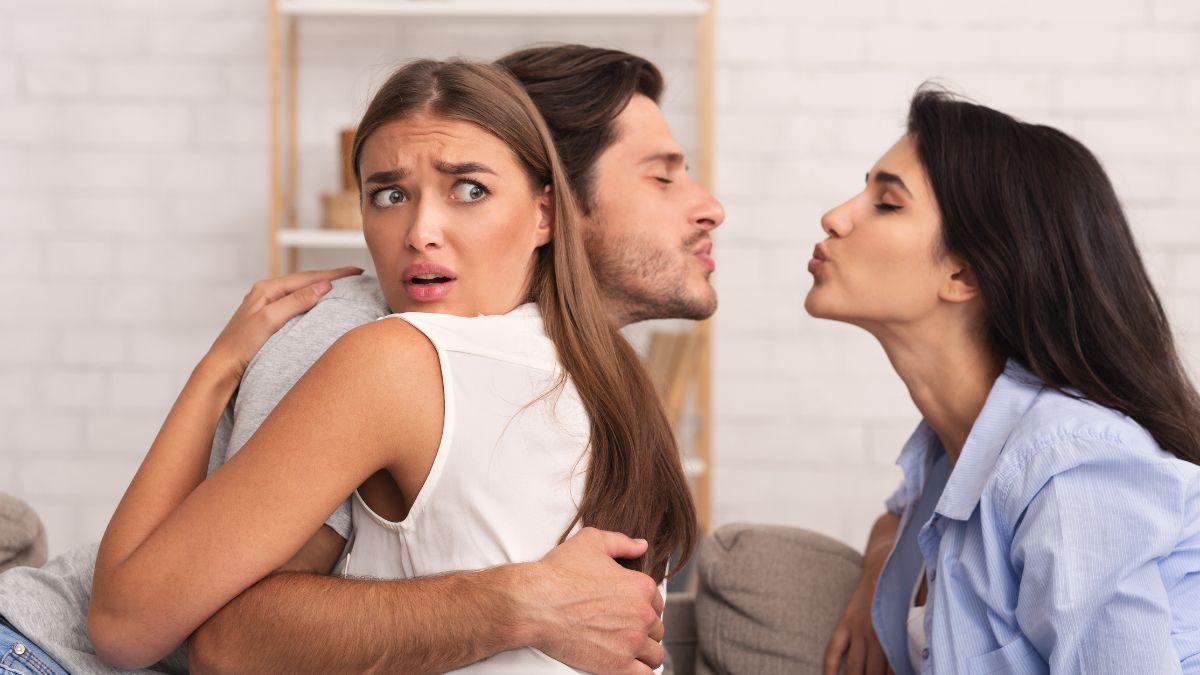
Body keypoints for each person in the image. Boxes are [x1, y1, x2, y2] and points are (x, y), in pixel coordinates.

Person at [0, 46, 722, 675]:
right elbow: (186, 630)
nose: (421, 231)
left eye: (467, 189)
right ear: (560, 201)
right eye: (661, 176)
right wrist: (217, 368)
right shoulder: (368, 336)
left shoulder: (589, 376)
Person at [815, 88, 1200, 675]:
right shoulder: (954, 445)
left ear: (963, 272)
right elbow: (897, 517)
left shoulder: (1070, 468)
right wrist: (877, 577)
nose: (835, 216)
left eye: (886, 203)